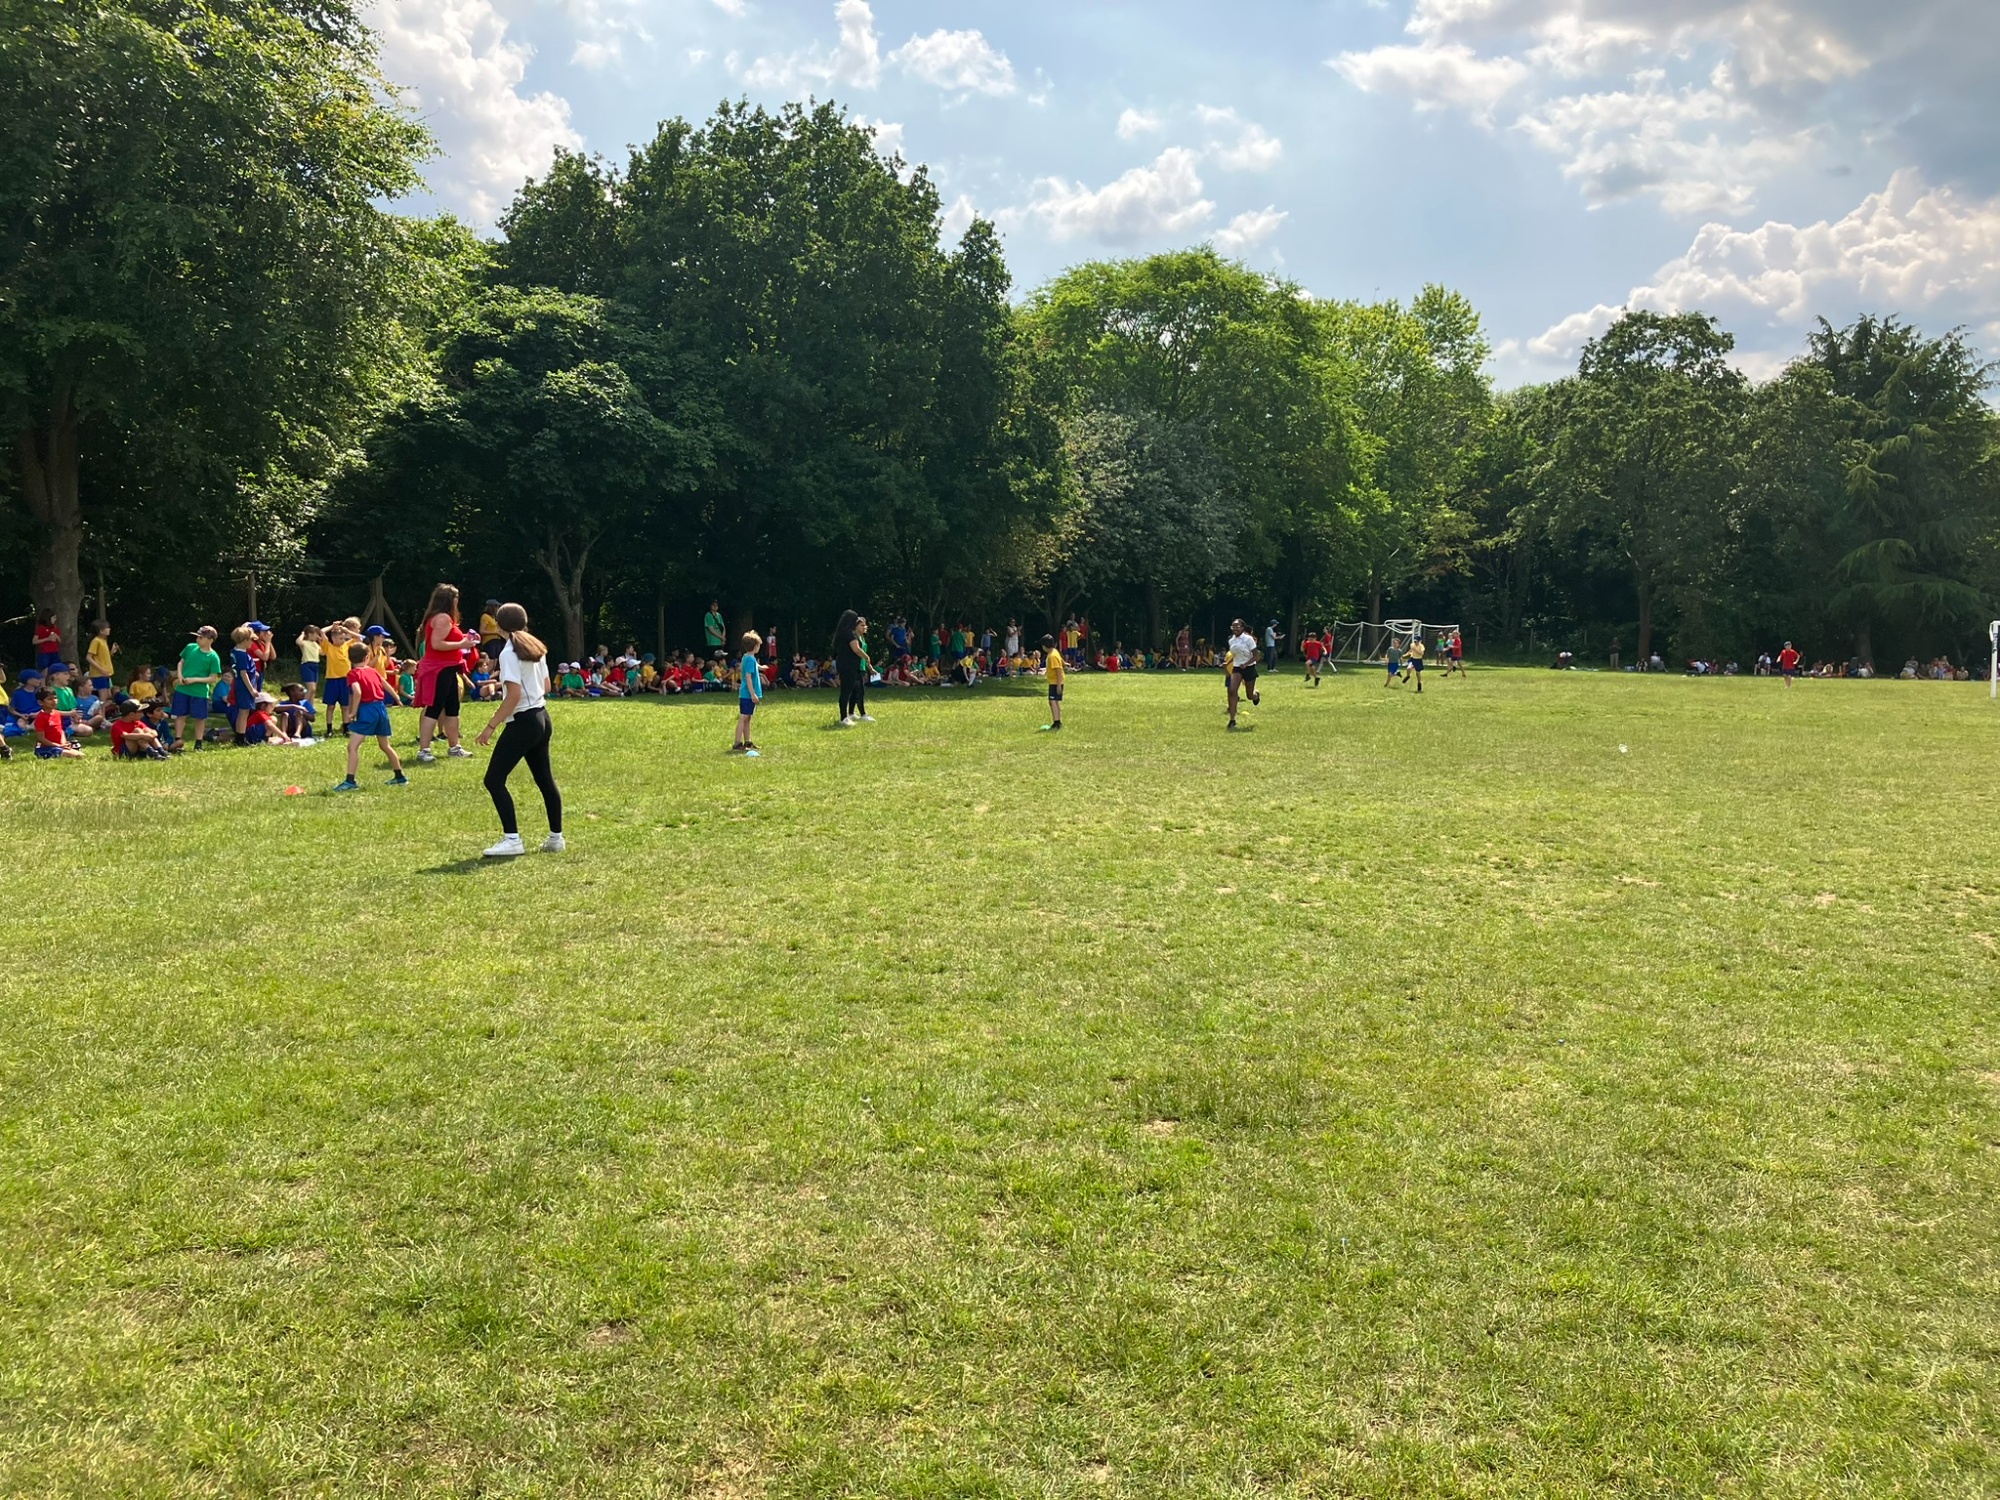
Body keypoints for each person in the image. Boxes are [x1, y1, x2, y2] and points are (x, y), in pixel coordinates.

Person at [475, 603, 562, 857]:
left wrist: (490, 726)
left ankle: (512, 840)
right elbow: (546, 686)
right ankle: (556, 838)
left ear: (499, 626)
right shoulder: (536, 646)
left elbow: (513, 695)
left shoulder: (508, 652)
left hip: (524, 721)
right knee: (545, 780)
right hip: (542, 717)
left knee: (493, 780)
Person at [411, 585, 477, 763]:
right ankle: (424, 750)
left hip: (449, 668)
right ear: (451, 600)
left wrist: (464, 640)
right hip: (438, 669)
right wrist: (462, 645)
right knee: (434, 708)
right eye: (456, 598)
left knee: (453, 708)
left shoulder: (444, 618)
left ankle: (454, 747)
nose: (458, 602)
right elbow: (437, 644)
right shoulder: (442, 618)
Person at [333, 642, 408, 791]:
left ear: (349, 658)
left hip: (368, 710)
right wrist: (397, 698)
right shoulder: (372, 671)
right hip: (381, 709)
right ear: (367, 657)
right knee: (385, 745)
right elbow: (385, 684)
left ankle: (350, 782)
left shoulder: (353, 674)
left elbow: (358, 692)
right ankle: (400, 777)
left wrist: (353, 712)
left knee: (352, 747)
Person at [171, 627, 222, 749]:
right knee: (180, 715)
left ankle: (198, 743)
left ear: (210, 639)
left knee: (200, 718)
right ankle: (178, 740)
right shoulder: (190, 647)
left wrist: (194, 680)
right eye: (197, 636)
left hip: (199, 692)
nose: (197, 639)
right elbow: (181, 663)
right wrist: (180, 675)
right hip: (182, 689)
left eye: (200, 637)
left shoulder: (213, 657)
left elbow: (212, 678)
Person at [833, 610, 870, 727]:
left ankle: (848, 715)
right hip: (849, 665)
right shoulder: (849, 634)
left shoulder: (840, 633)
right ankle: (844, 717)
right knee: (846, 691)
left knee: (850, 690)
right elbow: (856, 649)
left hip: (844, 664)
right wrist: (867, 657)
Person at [319, 620, 356, 734]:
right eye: (340, 638)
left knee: (345, 706)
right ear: (333, 639)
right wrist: (332, 626)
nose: (342, 641)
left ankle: (346, 728)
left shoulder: (347, 645)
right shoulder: (329, 647)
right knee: (330, 706)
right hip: (332, 679)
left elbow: (360, 638)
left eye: (344, 638)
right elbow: (321, 632)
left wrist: (347, 630)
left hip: (345, 679)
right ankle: (329, 729)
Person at [733, 631, 765, 756]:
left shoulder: (747, 657)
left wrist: (760, 667)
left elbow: (752, 665)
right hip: (747, 694)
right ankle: (737, 743)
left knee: (748, 718)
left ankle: (747, 742)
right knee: (743, 717)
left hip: (746, 694)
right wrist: (753, 694)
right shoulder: (750, 659)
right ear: (755, 646)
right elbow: (748, 677)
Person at [1225, 618, 1260, 730]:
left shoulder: (1248, 639)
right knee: (1232, 690)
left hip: (1249, 668)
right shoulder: (1232, 640)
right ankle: (1232, 720)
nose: (1235, 629)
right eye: (1233, 627)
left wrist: (1246, 663)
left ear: (1242, 628)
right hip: (1237, 668)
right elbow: (1235, 654)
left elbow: (1255, 656)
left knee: (1249, 695)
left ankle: (1256, 695)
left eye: (1237, 626)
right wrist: (1227, 662)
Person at [226, 625, 259, 741]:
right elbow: (243, 673)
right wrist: (252, 689)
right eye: (251, 640)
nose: (252, 643)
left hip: (240, 685)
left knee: (243, 712)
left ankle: (240, 736)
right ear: (245, 640)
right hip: (244, 687)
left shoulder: (234, 651)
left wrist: (254, 673)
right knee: (244, 712)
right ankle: (240, 737)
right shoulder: (242, 655)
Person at [32, 689, 83, 759]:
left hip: (58, 746)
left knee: (80, 754)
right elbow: (41, 738)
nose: (54, 701)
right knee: (77, 756)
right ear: (41, 702)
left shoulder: (56, 713)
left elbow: (60, 731)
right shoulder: (41, 717)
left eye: (55, 698)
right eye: (50, 699)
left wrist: (63, 743)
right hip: (45, 748)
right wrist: (58, 746)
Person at [1040, 633, 1065, 731]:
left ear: (1045, 646)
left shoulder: (1052, 656)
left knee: (1053, 701)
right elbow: (1060, 662)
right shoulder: (1054, 652)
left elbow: (1058, 670)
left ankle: (1056, 723)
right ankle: (1057, 720)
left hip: (1055, 682)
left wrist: (1059, 686)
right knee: (1054, 702)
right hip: (1054, 682)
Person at [85, 622, 116, 692]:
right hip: (99, 674)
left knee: (108, 697)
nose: (109, 629)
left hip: (105, 673)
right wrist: (101, 669)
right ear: (101, 631)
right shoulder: (96, 641)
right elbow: (88, 657)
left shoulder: (103, 641)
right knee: (104, 697)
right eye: (107, 628)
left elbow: (102, 657)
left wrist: (111, 652)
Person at [296, 625, 323, 697]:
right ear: (310, 634)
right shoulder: (304, 642)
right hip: (307, 665)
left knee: (314, 690)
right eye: (316, 634)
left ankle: (310, 706)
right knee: (311, 688)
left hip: (315, 665)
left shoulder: (315, 644)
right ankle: (304, 704)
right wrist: (302, 634)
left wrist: (321, 642)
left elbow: (322, 653)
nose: (317, 636)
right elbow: (298, 642)